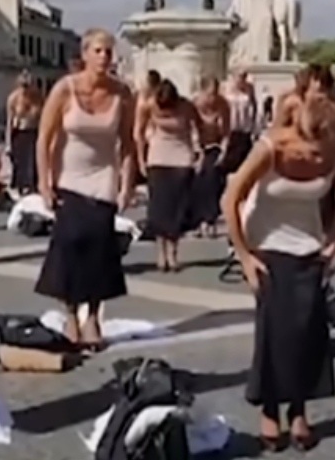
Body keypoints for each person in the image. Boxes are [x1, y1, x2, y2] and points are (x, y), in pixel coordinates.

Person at [221, 94, 335, 451]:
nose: (316, 155)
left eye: (322, 146)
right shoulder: (271, 146)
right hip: (266, 244)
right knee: (275, 331)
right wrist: (244, 256)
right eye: (311, 146)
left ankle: (299, 410)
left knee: (309, 331)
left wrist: (334, 241)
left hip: (309, 245)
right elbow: (230, 198)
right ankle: (270, 408)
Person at [35, 28, 136, 348]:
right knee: (69, 244)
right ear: (85, 54)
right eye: (98, 51)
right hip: (69, 176)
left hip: (103, 176)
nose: (104, 57)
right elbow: (44, 137)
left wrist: (127, 184)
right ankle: (69, 314)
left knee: (99, 246)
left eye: (108, 51)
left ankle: (92, 315)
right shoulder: (64, 89)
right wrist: (44, 181)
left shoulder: (122, 93)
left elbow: (128, 142)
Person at [136, 78, 199, 270]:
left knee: (177, 208)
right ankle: (161, 252)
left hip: (182, 156)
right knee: (159, 208)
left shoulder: (186, 106)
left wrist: (199, 151)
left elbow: (199, 126)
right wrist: (141, 159)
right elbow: (138, 133)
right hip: (158, 156)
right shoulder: (148, 105)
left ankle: (173, 252)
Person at [191, 76, 230, 237]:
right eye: (209, 94)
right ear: (202, 92)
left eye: (215, 93)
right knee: (199, 183)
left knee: (213, 180)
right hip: (196, 146)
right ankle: (199, 220)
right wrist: (198, 152)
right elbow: (191, 131)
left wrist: (224, 151)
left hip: (215, 146)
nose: (212, 98)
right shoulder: (194, 105)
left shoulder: (223, 105)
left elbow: (226, 132)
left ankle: (210, 219)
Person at [6, 71, 41, 195]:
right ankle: (20, 186)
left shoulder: (38, 98)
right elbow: (10, 121)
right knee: (19, 162)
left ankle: (32, 186)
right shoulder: (13, 98)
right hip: (19, 132)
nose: (25, 89)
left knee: (32, 161)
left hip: (33, 132)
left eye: (27, 86)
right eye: (23, 86)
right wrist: (8, 143)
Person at [222, 69, 256, 173]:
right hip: (230, 124)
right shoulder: (225, 87)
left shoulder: (249, 88)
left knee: (244, 154)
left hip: (244, 125)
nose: (242, 79)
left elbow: (254, 104)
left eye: (244, 76)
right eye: (240, 76)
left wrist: (253, 122)